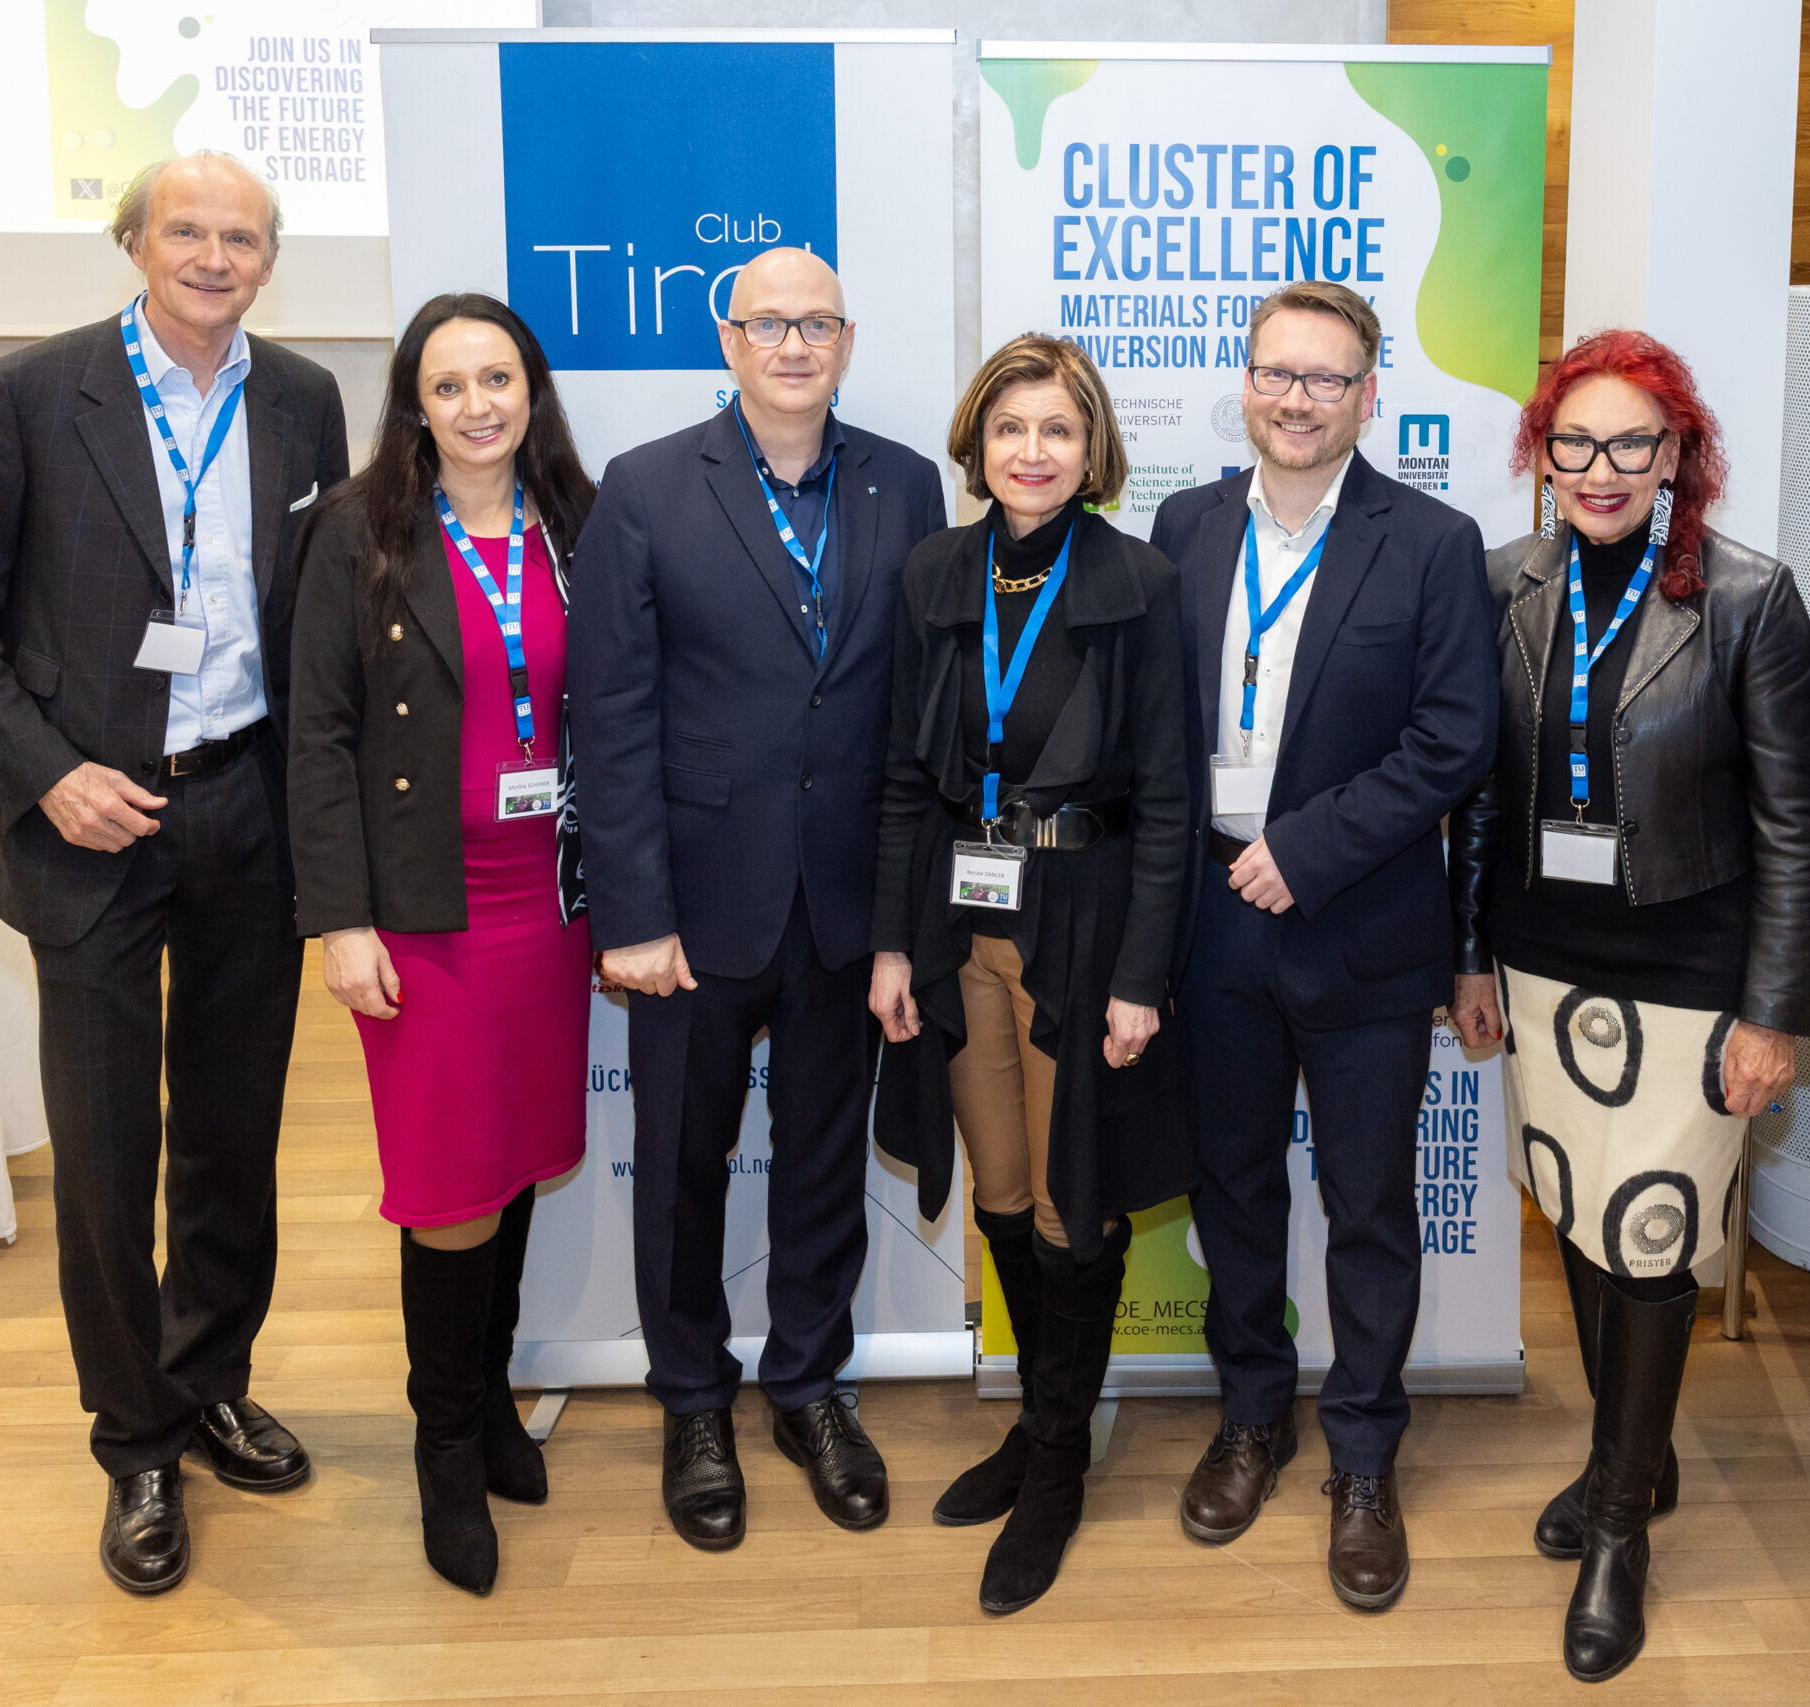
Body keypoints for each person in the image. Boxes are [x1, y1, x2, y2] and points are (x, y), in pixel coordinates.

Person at [0, 153, 350, 1595]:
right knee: (104, 1151)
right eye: (188, 231)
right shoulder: (29, 394)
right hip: (92, 818)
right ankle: (136, 1437)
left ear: (270, 260)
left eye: (242, 236)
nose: (214, 256)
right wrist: (48, 771)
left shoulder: (302, 401)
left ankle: (210, 1375)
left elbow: (322, 614)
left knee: (232, 1125)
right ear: (136, 242)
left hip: (247, 808)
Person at [1446, 329, 1810, 1681]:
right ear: (1538, 453)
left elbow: (1795, 825)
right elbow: (1483, 796)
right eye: (1575, 442)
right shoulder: (1503, 584)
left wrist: (1772, 1007)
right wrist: (1472, 955)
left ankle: (1620, 1521)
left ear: (1677, 453)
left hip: (1688, 977)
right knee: (1584, 1216)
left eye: (1632, 443)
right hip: (1546, 968)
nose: (1601, 469)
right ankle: (1642, 1455)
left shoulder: (1749, 597)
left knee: (1650, 1230)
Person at [569, 247, 950, 1550]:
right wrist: (631, 909)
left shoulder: (906, 483)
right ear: (727, 339)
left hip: (845, 902)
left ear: (846, 337)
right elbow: (609, 712)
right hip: (691, 904)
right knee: (680, 1160)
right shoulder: (647, 486)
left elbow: (917, 718)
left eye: (817, 322)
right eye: (768, 323)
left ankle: (808, 1382)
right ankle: (691, 1395)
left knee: (825, 1156)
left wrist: (905, 915)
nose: (794, 343)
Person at [1154, 280, 1496, 1611]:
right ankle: (1252, 1416)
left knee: (1367, 1205)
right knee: (1232, 1185)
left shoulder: (1431, 539)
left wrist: (1312, 845)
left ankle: (1362, 1453)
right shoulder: (1183, 526)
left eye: (1326, 378)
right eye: (1276, 373)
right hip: (1209, 924)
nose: (1297, 398)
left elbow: (1454, 738)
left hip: (1358, 927)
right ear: (1244, 383)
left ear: (1369, 395)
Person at [867, 335, 1193, 1613]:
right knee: (1002, 1190)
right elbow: (902, 779)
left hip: (1085, 924)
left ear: (1092, 444)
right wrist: (892, 941)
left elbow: (1165, 798)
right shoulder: (934, 574)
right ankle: (1042, 1417)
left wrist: (1142, 974)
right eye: (1010, 429)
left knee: (1073, 1202)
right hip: (958, 927)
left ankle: (1056, 1455)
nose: (1032, 451)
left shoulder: (1140, 580)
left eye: (1057, 429)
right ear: (977, 440)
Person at [286, 292, 599, 1594]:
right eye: (450, 382)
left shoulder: (576, 522)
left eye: (500, 378)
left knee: (520, 1157)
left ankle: (486, 1408)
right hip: (426, 908)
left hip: (552, 898)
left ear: (532, 390)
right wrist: (341, 916)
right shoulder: (361, 529)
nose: (479, 404)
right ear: (416, 401)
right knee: (452, 1184)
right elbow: (319, 736)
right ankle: (440, 1444)